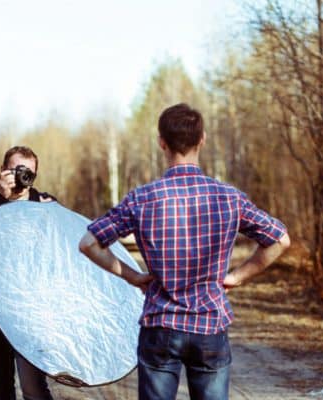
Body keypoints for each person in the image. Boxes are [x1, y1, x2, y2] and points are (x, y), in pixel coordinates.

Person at [79, 103, 290, 400]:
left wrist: (134, 277)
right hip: (210, 323)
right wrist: (236, 277)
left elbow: (88, 243)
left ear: (161, 142)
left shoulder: (142, 198)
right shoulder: (229, 198)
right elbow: (280, 240)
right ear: (202, 139)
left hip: (161, 324)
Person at [0, 146, 55, 400]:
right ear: (2, 170)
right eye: (16, 170)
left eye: (28, 172)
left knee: (34, 387)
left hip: (33, 306)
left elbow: (59, 248)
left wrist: (50, 215)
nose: (21, 177)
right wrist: (2, 199)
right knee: (0, 385)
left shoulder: (45, 204)